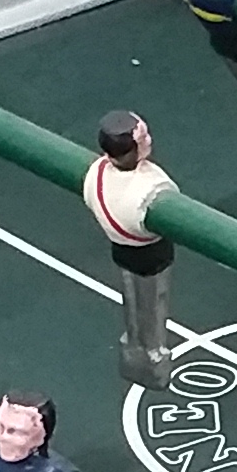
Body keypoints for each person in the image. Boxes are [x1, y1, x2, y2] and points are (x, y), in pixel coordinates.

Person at [84, 110, 183, 382]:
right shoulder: (151, 187)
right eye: (144, 137)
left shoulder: (96, 174)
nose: (149, 139)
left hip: (122, 249)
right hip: (151, 254)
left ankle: (139, 351)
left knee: (134, 300)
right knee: (153, 300)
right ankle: (152, 356)